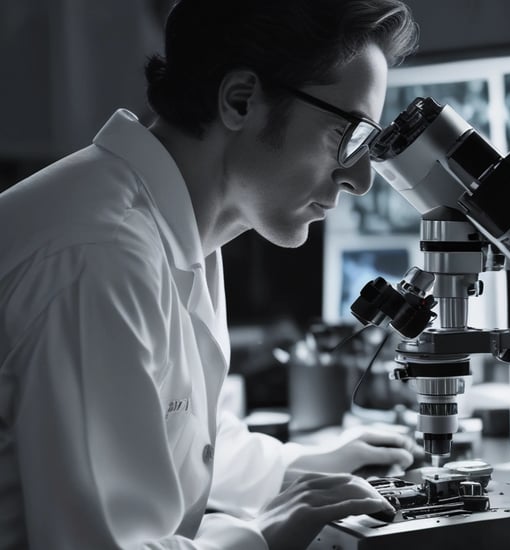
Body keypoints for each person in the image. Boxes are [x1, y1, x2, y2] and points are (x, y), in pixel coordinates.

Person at [0, 1, 419, 548]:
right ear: (240, 100)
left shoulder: (174, 219)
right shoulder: (100, 254)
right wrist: (258, 538)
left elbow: (169, 429)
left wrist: (296, 468)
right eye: (349, 135)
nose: (361, 178)